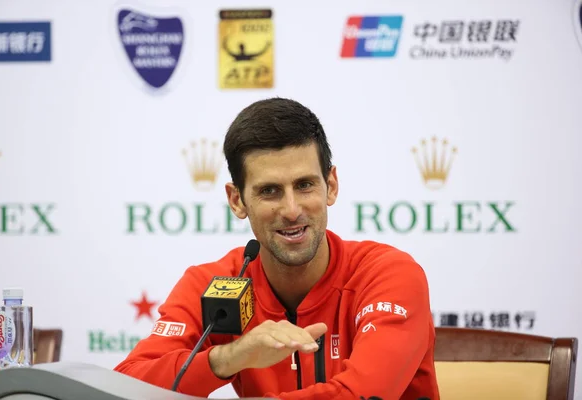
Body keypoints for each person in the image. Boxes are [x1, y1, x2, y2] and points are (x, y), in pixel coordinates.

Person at [114, 98, 440, 400]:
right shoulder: (214, 283)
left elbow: (365, 393)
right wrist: (227, 358)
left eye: (304, 185)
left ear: (332, 185)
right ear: (237, 200)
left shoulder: (387, 274)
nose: (292, 209)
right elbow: (124, 387)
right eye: (269, 191)